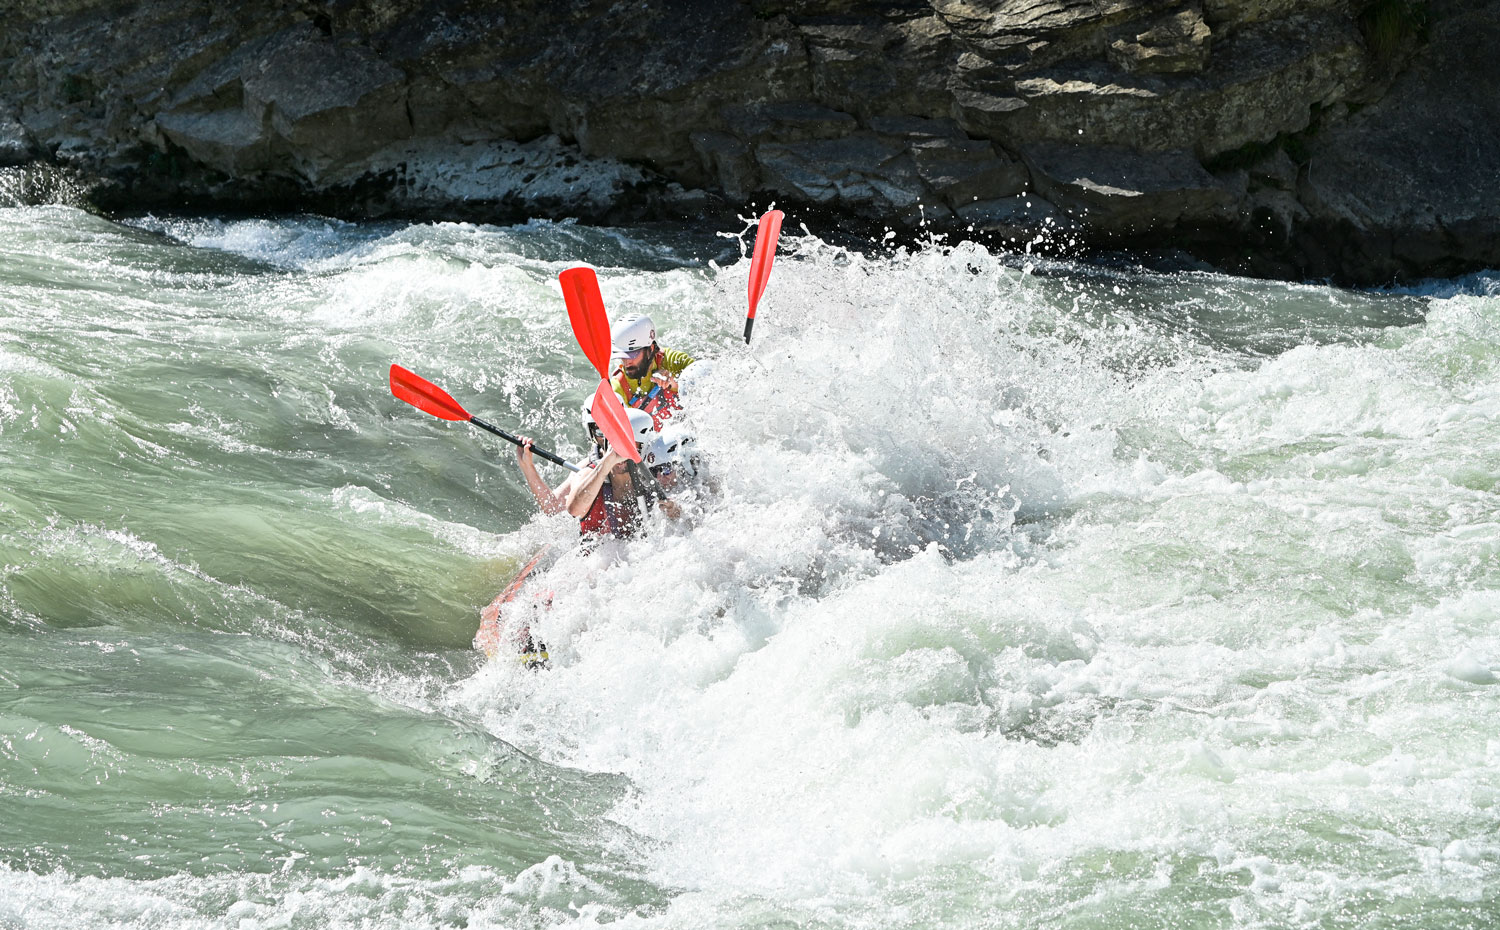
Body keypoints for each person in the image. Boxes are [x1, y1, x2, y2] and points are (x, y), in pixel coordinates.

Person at [609, 313, 694, 426]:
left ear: (651, 349)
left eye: (632, 353)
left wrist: (673, 383)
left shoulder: (673, 361)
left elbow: (708, 385)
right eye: (622, 355)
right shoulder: (618, 387)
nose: (626, 361)